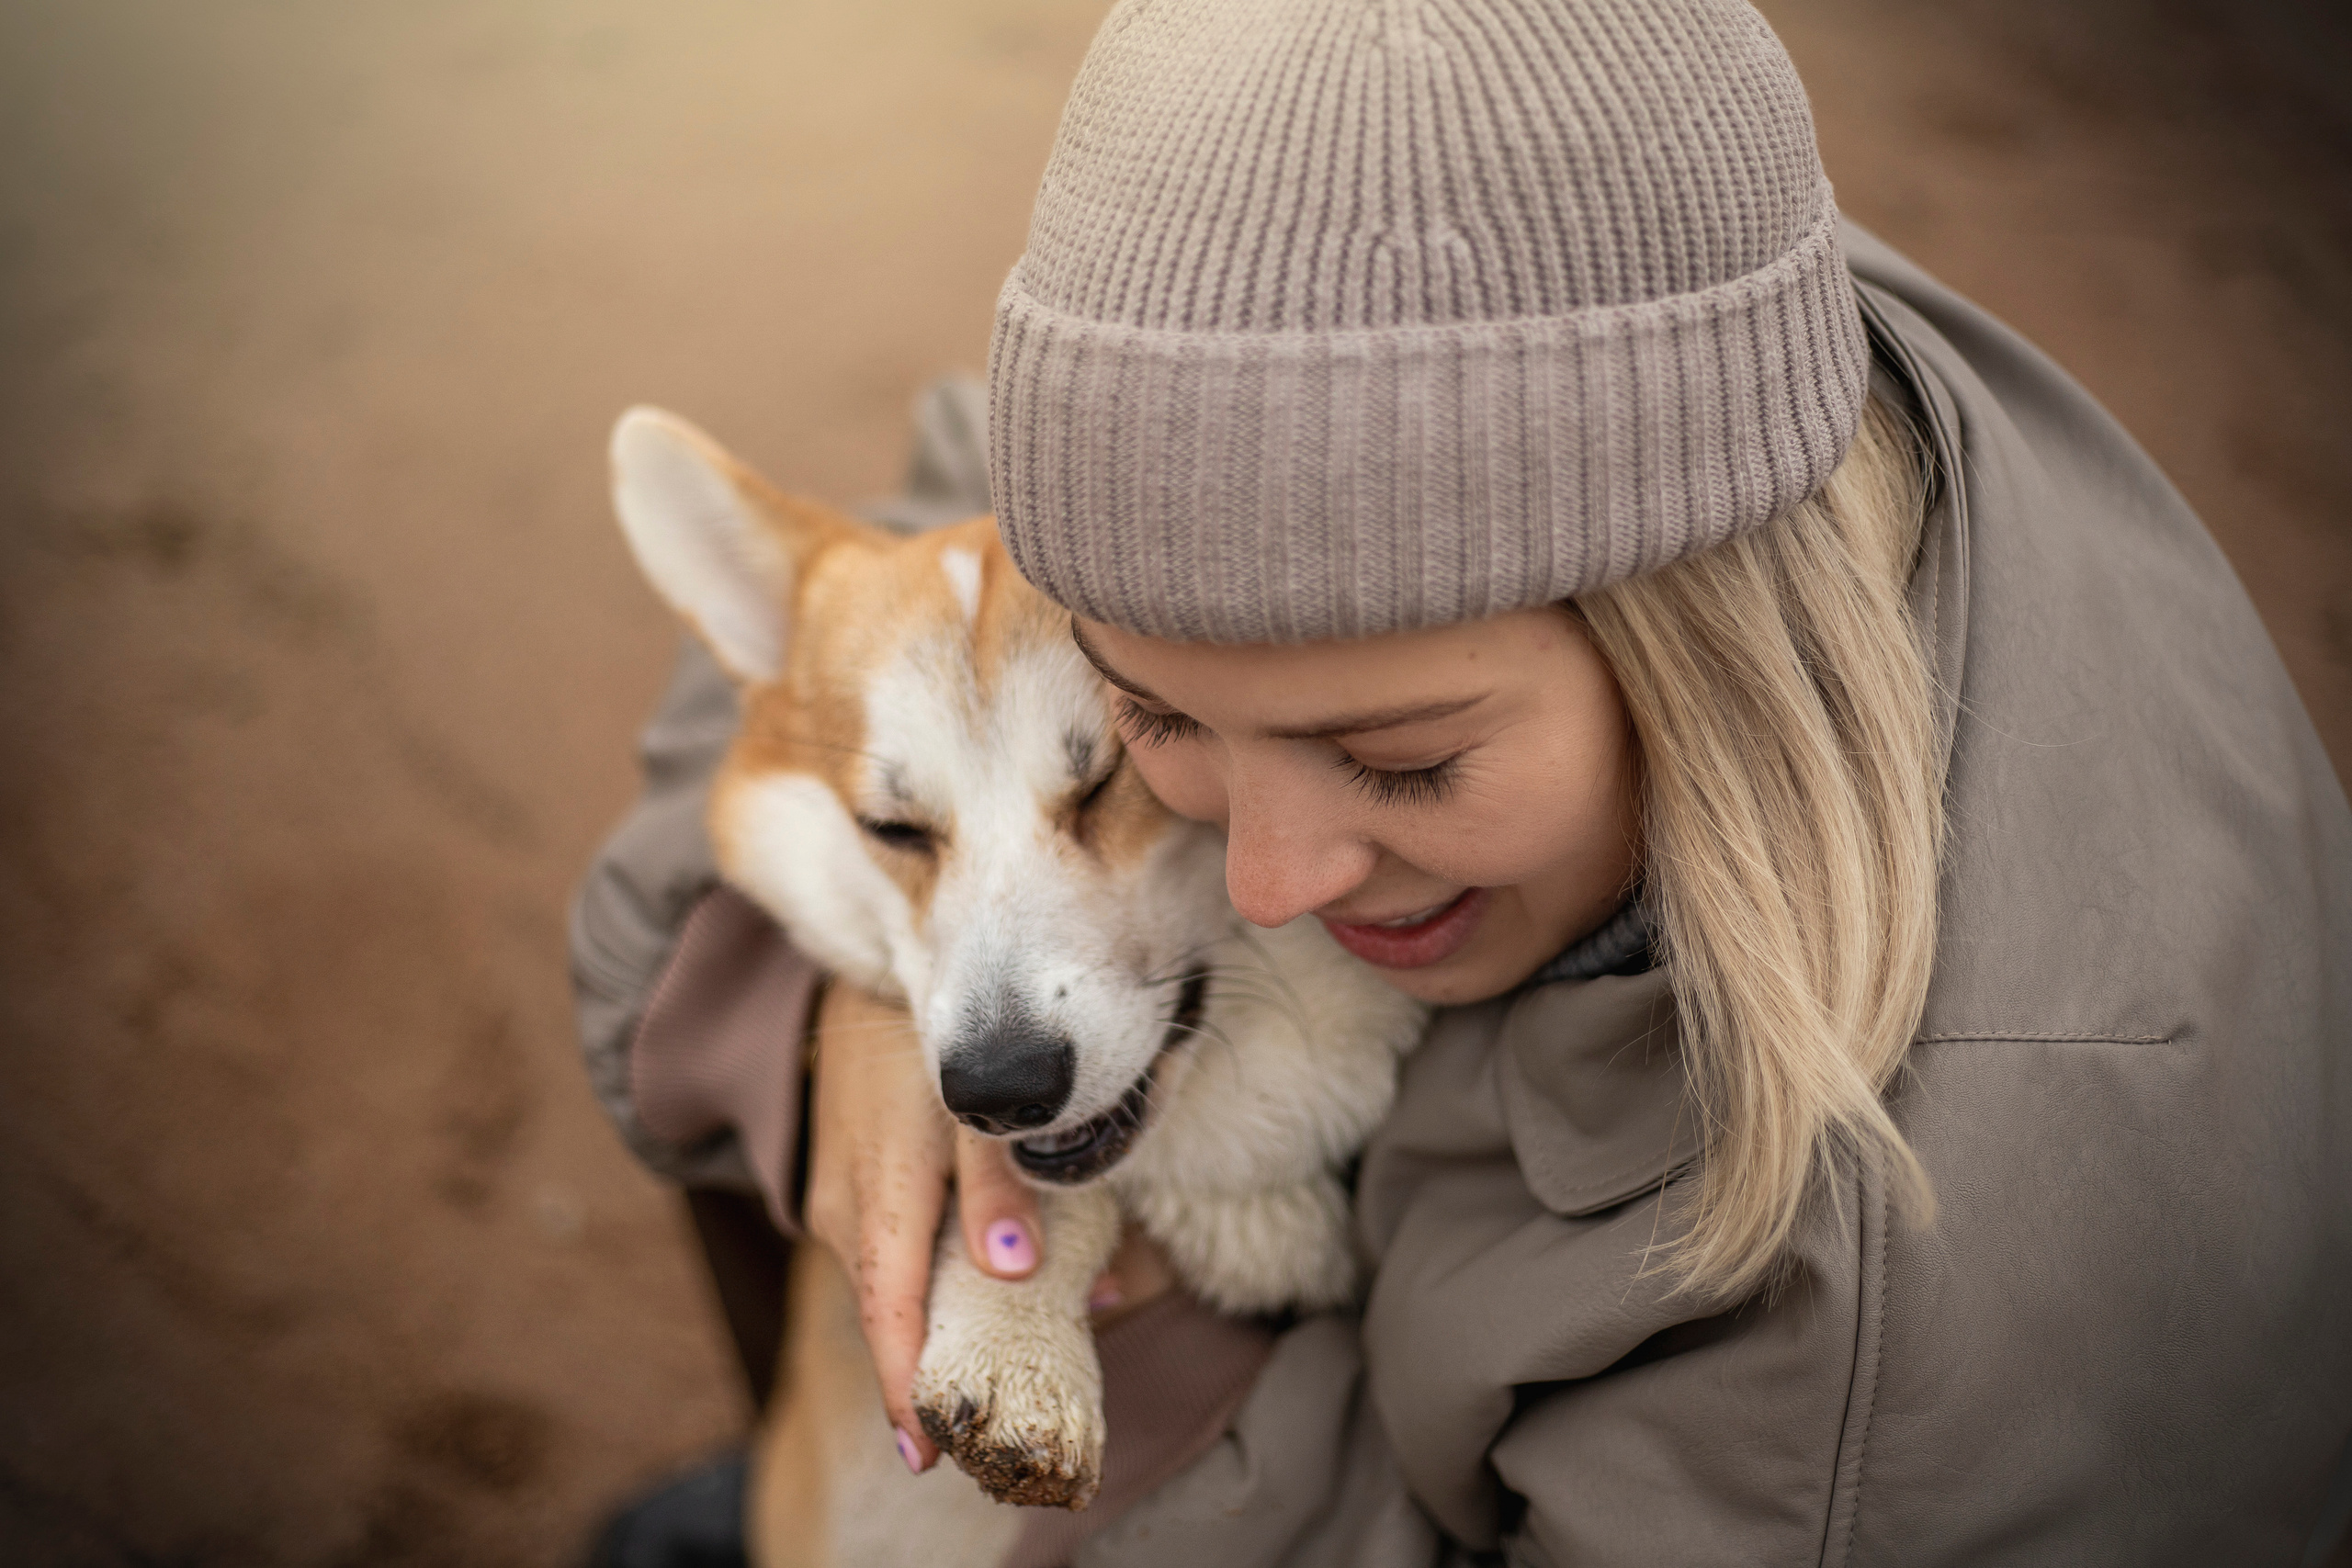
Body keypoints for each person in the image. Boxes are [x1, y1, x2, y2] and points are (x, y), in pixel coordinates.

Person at [571, 1, 2352, 1563]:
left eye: (1398, 756)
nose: (1260, 878)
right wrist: (837, 1028)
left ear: (1690, 627)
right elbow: (906, 555)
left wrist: (1132, 1348)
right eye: (1152, 709)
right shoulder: (1645, 282)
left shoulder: (1891, 1364)